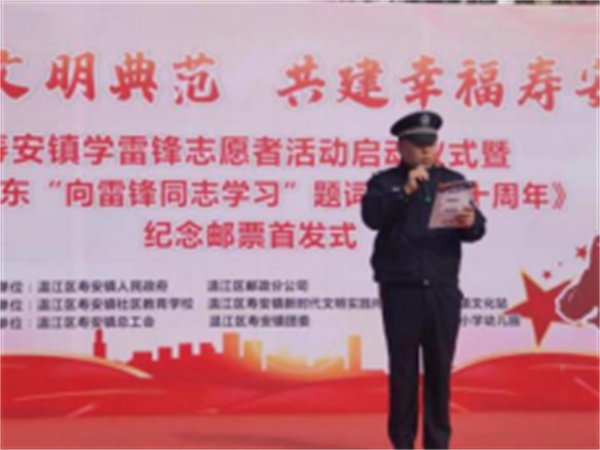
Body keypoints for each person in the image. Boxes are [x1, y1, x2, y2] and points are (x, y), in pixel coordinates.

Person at [361, 111, 487, 450]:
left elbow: (476, 230)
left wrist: (471, 222)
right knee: (403, 371)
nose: (426, 150)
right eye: (418, 144)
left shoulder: (452, 182)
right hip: (401, 290)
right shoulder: (384, 183)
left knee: (439, 370)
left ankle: (437, 443)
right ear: (401, 147)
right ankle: (402, 442)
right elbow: (372, 218)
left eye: (431, 144)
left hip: (443, 290)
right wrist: (405, 191)